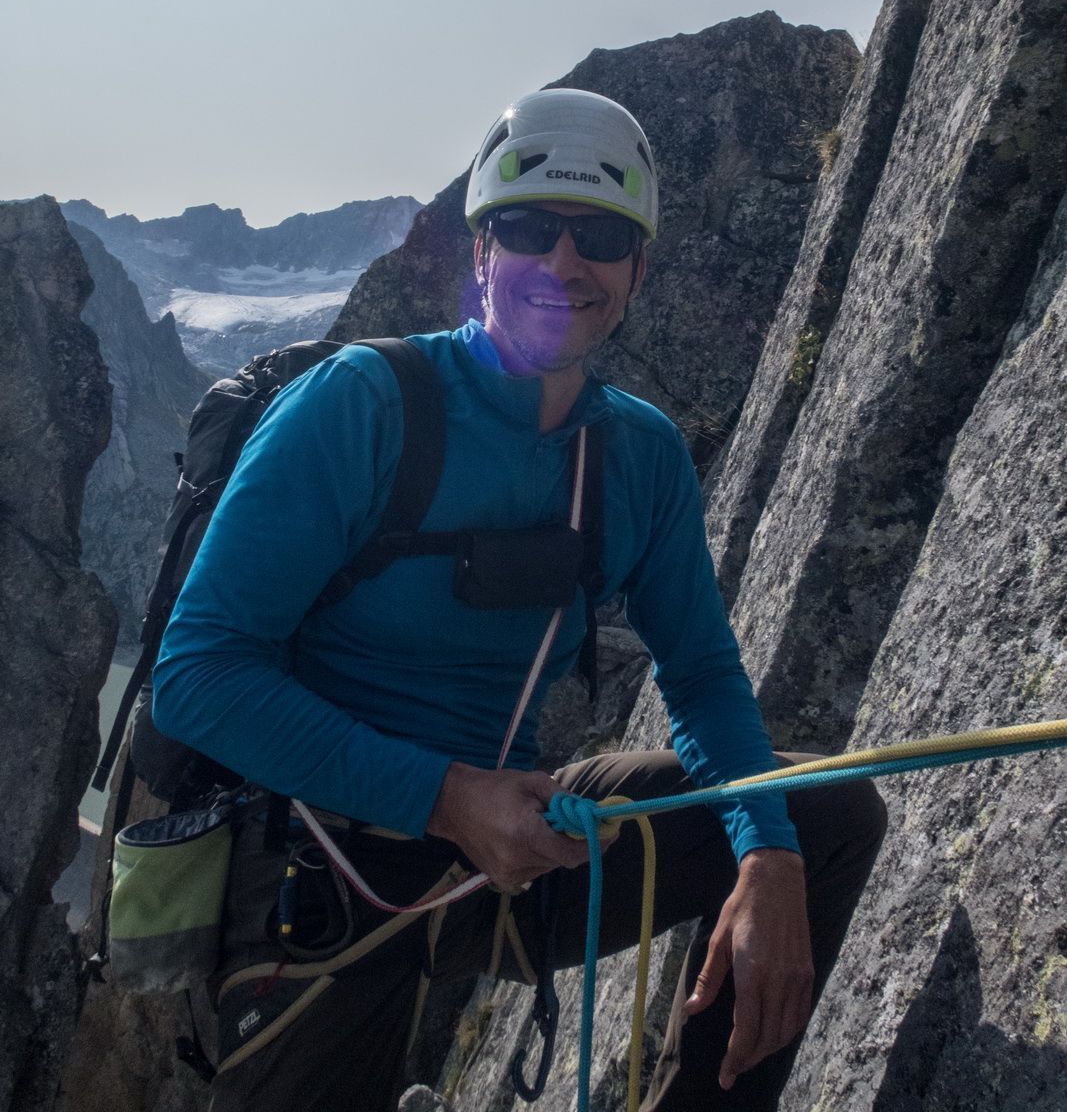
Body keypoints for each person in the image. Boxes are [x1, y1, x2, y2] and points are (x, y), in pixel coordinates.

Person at [153, 87, 886, 1112]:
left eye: (598, 234)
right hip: (313, 871)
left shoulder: (635, 457)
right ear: (482, 250)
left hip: (505, 855)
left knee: (823, 816)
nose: (561, 262)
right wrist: (449, 798)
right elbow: (195, 677)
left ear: (636, 266)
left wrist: (763, 854)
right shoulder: (359, 406)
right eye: (528, 227)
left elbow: (703, 673)